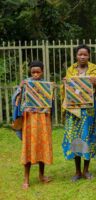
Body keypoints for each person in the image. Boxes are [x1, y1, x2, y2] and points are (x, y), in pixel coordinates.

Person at [61, 44, 96, 181]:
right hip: (74, 111)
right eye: (80, 54)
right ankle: (77, 171)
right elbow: (66, 89)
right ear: (76, 56)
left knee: (88, 137)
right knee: (76, 137)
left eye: (85, 54)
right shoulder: (70, 70)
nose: (83, 57)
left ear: (89, 56)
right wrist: (65, 83)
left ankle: (86, 170)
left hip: (89, 111)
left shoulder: (94, 69)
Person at [12, 61, 53, 189]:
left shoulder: (46, 85)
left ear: (42, 71)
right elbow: (16, 100)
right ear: (30, 72)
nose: (35, 74)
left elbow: (50, 102)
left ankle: (41, 175)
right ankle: (26, 178)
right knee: (28, 146)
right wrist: (20, 88)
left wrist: (51, 91)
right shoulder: (25, 84)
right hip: (29, 119)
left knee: (42, 144)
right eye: (33, 72)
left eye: (38, 72)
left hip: (42, 119)